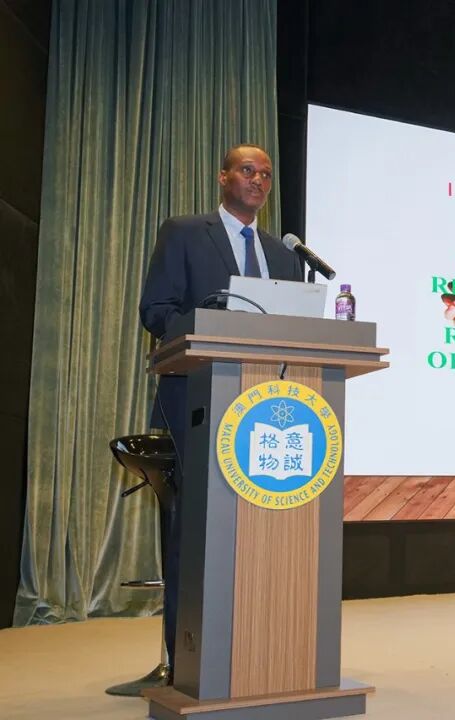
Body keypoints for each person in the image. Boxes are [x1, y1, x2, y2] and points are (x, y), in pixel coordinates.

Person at [138, 144, 303, 675]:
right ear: (223, 177)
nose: (259, 181)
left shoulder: (283, 256)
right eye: (248, 171)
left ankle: (260, 648)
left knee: (261, 530)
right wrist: (209, 329)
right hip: (195, 398)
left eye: (267, 175)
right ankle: (186, 658)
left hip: (263, 409)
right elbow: (156, 310)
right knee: (192, 530)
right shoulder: (185, 232)